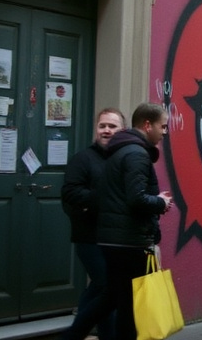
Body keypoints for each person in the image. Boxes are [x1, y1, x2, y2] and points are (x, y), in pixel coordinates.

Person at [65, 103, 174, 340]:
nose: (164, 132)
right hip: (123, 240)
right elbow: (135, 198)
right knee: (114, 297)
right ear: (147, 125)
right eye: (162, 126)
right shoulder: (134, 154)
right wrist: (159, 203)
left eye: (111, 126)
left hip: (117, 238)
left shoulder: (121, 152)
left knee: (117, 298)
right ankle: (72, 336)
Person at [61, 108, 124, 340]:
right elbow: (70, 192)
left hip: (116, 237)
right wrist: (104, 198)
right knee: (106, 285)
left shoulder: (123, 157)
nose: (106, 130)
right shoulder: (83, 158)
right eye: (102, 126)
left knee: (102, 288)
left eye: (112, 126)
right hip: (89, 235)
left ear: (122, 130)